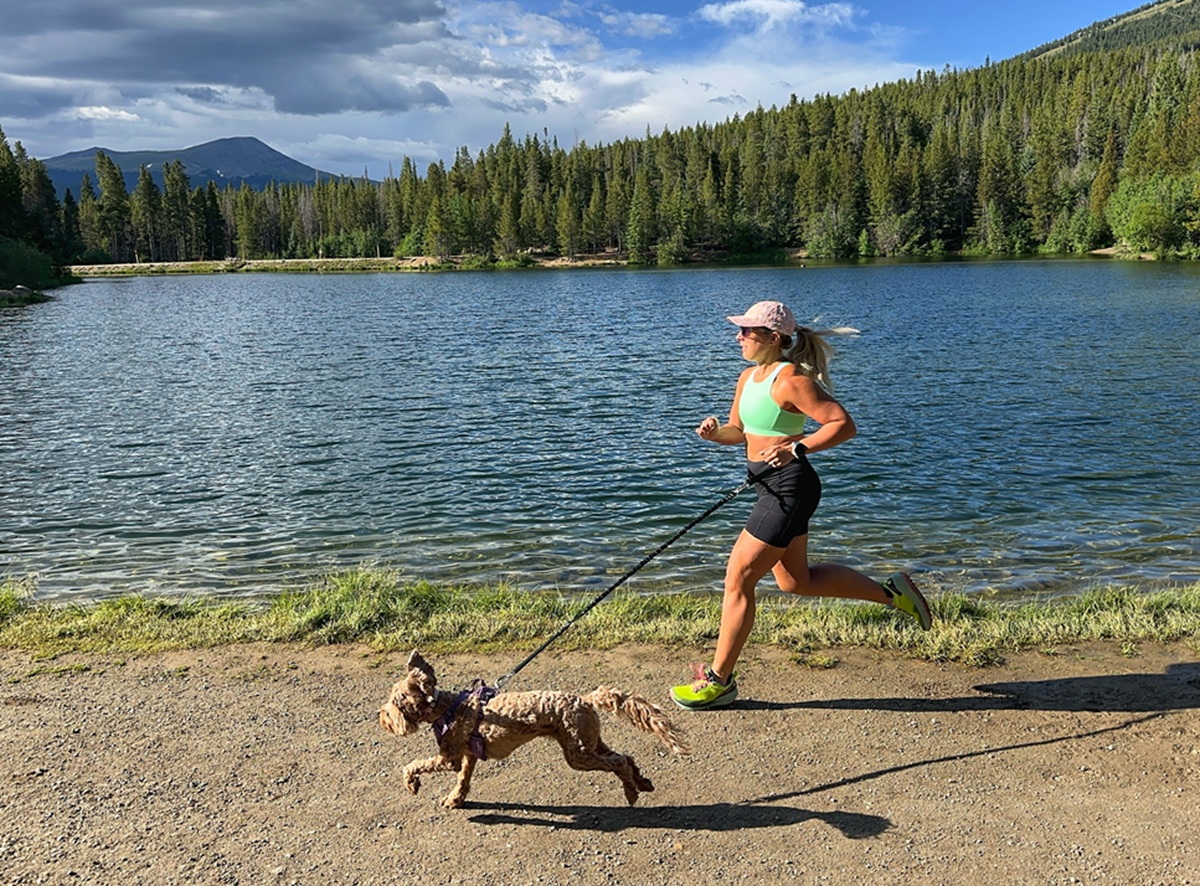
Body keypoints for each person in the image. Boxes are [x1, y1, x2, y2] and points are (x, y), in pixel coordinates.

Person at [670, 300, 931, 711]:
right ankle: (893, 594)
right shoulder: (747, 378)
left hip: (789, 488)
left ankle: (718, 681)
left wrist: (799, 447)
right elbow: (740, 431)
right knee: (796, 581)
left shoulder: (790, 380)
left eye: (747, 331)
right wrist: (714, 433)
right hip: (768, 487)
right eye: (740, 330)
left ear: (773, 338)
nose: (739, 337)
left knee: (738, 577)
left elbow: (843, 424)